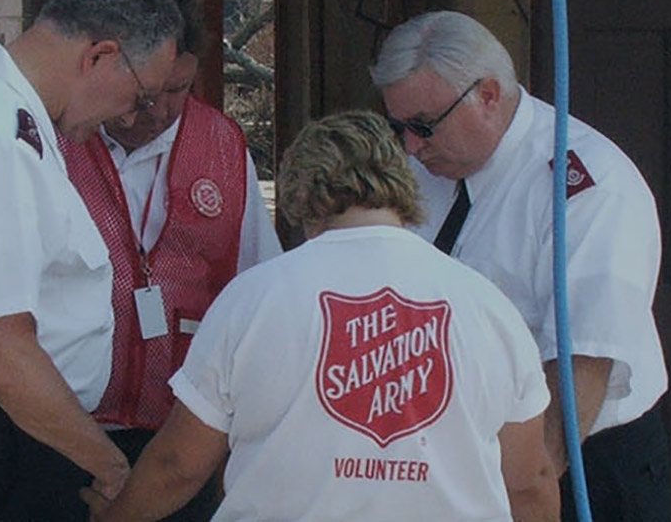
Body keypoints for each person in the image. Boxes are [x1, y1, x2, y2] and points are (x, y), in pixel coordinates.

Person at [0, 0, 278, 521]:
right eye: (138, 95)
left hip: (6, 434)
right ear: (100, 56)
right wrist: (113, 472)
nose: (138, 113)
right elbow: (4, 355)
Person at [86, 110, 560, 522]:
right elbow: (530, 479)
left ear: (299, 192)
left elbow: (180, 465)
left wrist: (116, 515)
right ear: (402, 185)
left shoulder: (253, 299)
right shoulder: (488, 306)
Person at [372, 11, 671, 521]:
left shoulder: (584, 186)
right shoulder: (423, 168)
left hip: (572, 458)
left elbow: (581, 371)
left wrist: (517, 496)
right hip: (453, 452)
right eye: (398, 127)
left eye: (423, 126)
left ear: (488, 94)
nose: (410, 146)